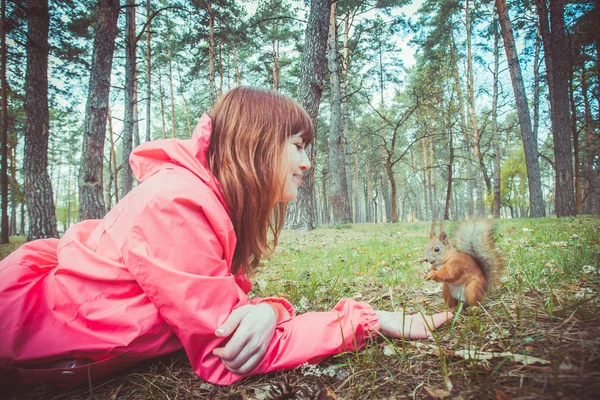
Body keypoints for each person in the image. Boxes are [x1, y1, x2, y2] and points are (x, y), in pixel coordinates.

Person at [0, 87, 451, 387]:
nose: (307, 163)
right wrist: (369, 320)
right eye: (297, 145)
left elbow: (220, 305)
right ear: (257, 142)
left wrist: (270, 311)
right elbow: (226, 354)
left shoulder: (199, 198)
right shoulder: (178, 205)